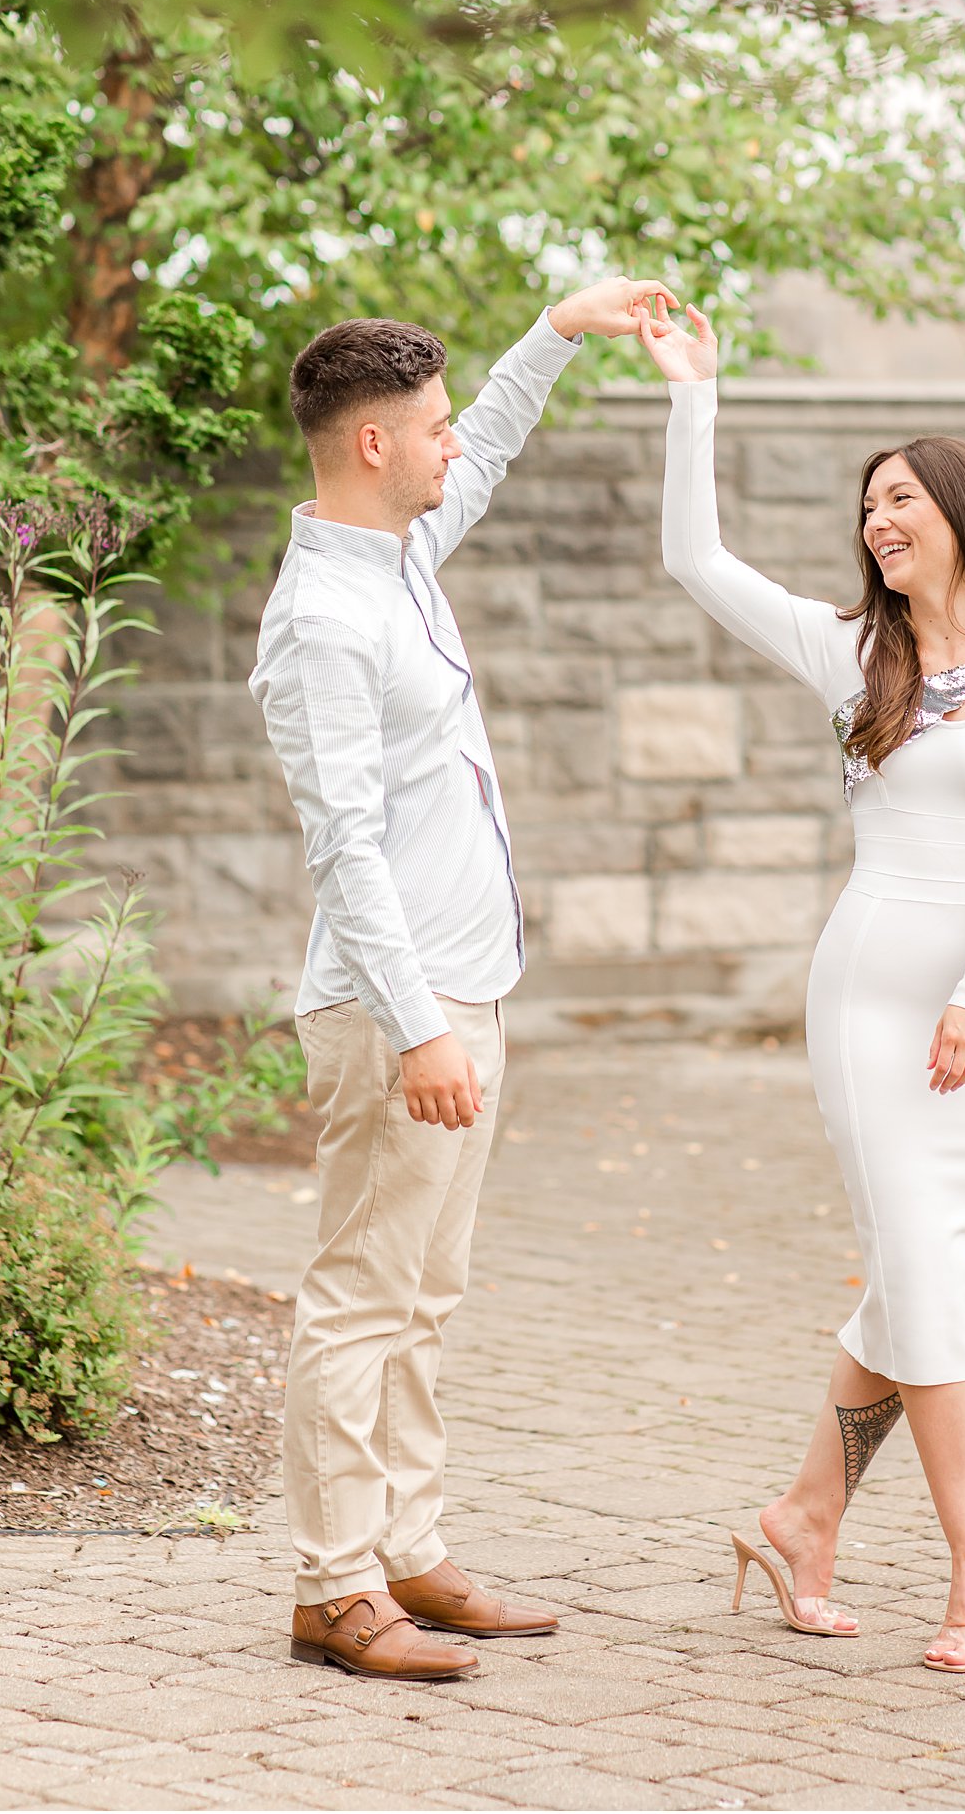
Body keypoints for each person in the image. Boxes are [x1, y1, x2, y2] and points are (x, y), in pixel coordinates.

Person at [638, 301, 965, 1676]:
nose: (879, 518)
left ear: (963, 509)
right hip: (867, 996)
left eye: (901, 497)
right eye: (868, 506)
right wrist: (693, 396)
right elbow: (692, 556)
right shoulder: (853, 653)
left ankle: (802, 1516)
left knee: (931, 1270)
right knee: (917, 1262)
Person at [250, 280, 675, 1682]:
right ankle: (332, 1585)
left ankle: (408, 1549)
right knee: (360, 1296)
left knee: (426, 1294)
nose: (451, 446)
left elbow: (485, 445)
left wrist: (559, 329)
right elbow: (344, 845)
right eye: (427, 427)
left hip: (462, 994)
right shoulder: (325, 616)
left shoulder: (403, 554)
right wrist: (421, 1024)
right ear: (372, 445)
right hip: (399, 1010)